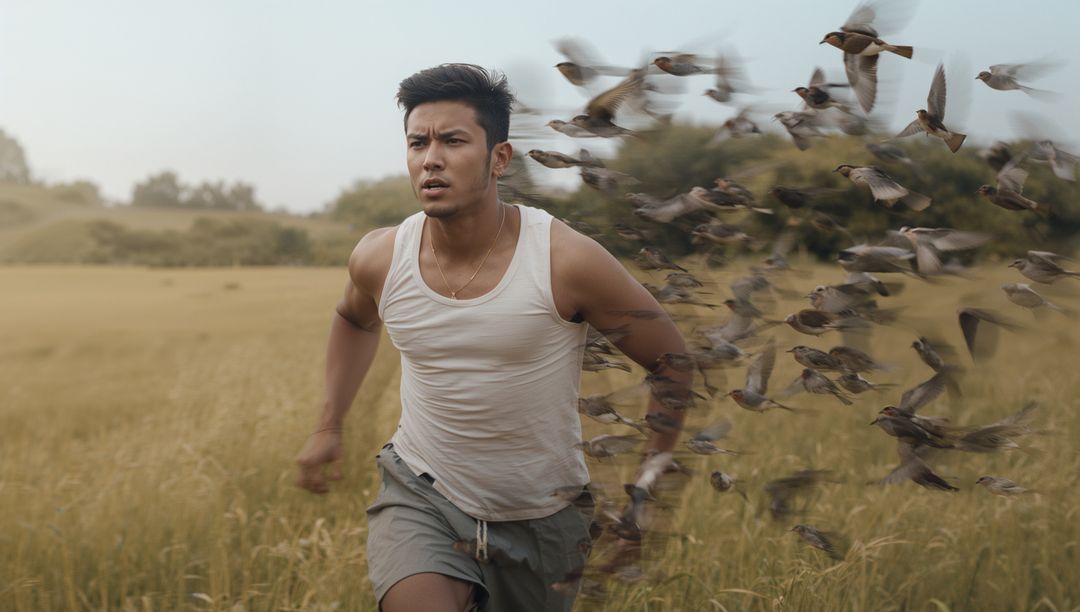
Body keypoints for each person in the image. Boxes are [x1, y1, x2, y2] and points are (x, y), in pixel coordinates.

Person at [295, 63, 690, 612]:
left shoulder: (564, 260)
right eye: (417, 142)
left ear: (499, 158)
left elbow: (672, 362)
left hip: (545, 519)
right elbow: (354, 319)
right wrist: (328, 425)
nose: (430, 158)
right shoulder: (381, 257)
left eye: (453, 141)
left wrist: (643, 495)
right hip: (423, 492)